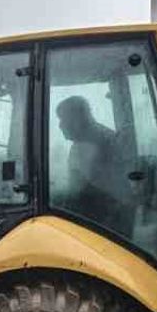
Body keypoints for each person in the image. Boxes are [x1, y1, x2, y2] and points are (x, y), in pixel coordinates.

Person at [56, 95, 135, 232]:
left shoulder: (94, 143)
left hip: (106, 224)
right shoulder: (85, 141)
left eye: (63, 119)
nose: (60, 125)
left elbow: (81, 190)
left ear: (77, 119)